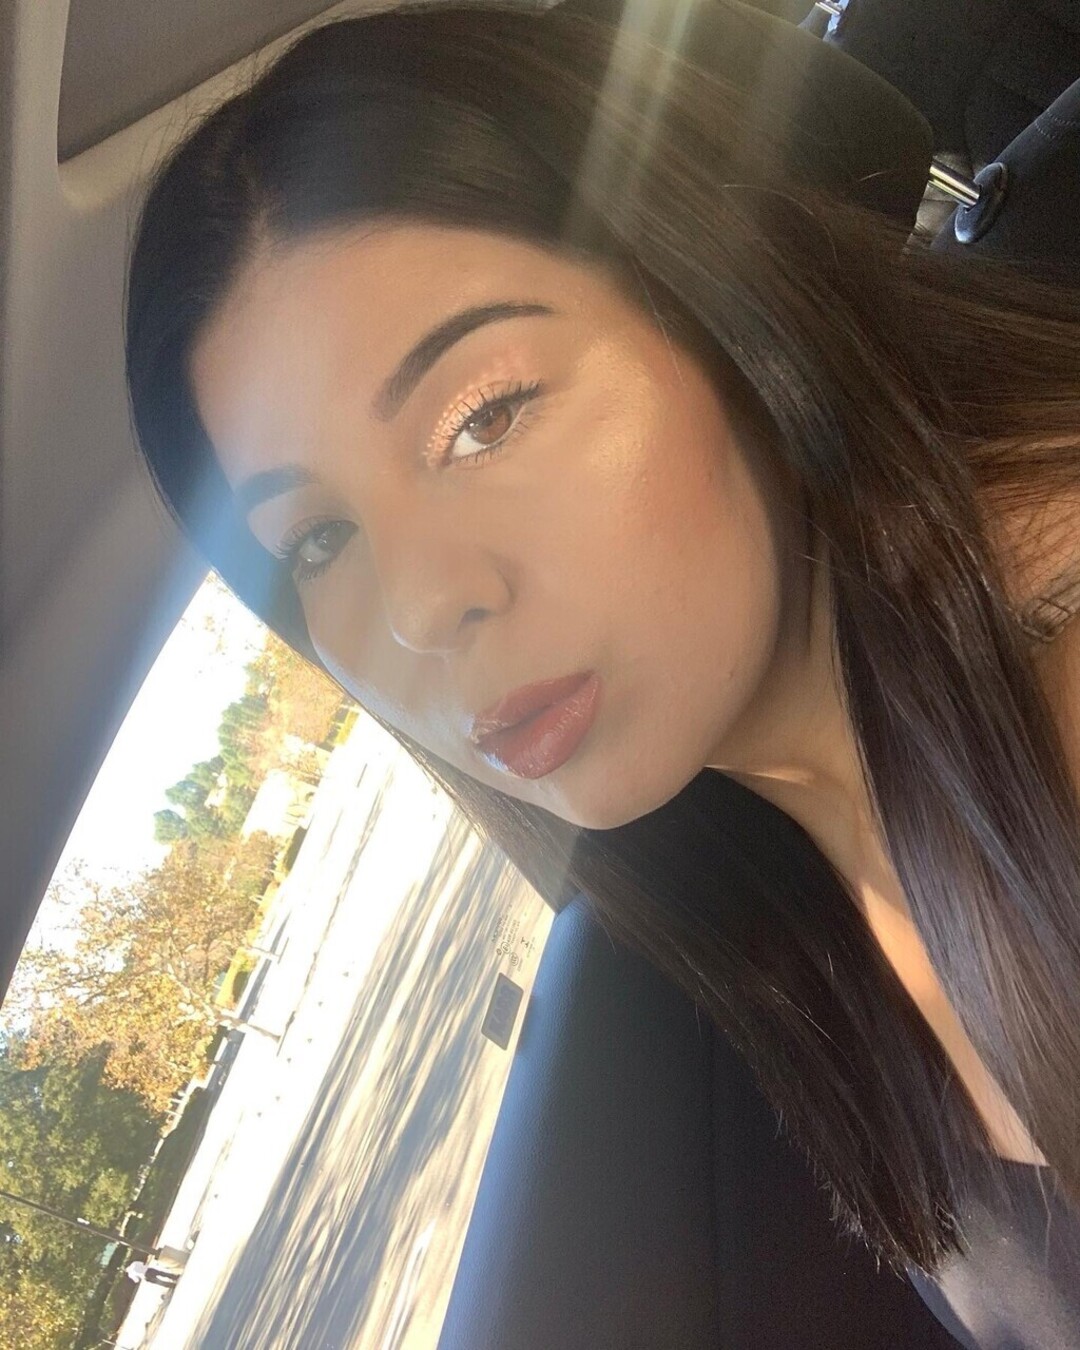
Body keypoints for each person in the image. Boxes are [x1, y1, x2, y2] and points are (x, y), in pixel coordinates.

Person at [124, 2, 1080, 1344]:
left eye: (484, 418)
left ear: (718, 290)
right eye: (320, 541)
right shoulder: (776, 869)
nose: (422, 605)